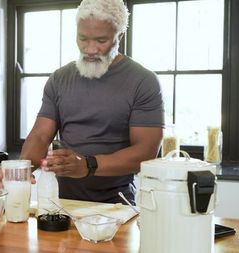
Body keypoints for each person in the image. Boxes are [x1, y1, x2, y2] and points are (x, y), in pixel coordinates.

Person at [19, 0, 164, 204]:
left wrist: (88, 165)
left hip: (117, 205)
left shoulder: (143, 81)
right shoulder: (59, 79)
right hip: (60, 203)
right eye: (82, 38)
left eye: (101, 40)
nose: (90, 49)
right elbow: (41, 136)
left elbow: (146, 153)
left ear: (119, 36)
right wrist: (20, 169)